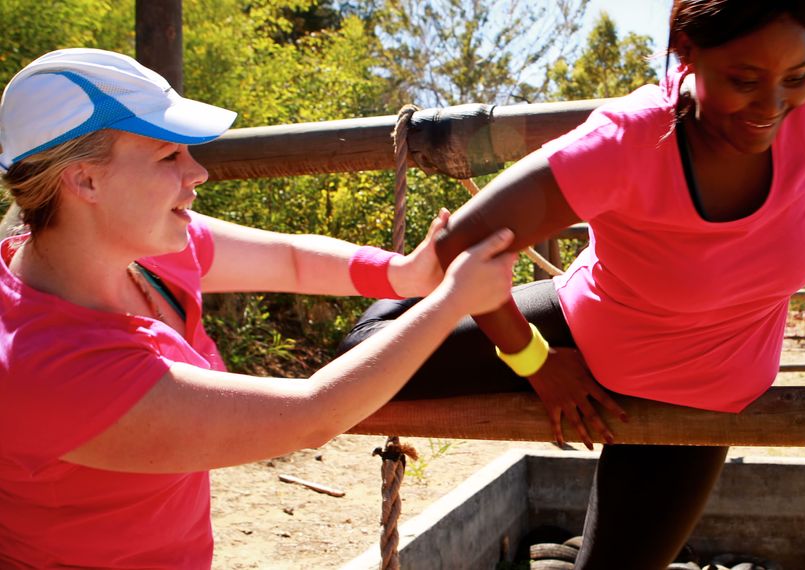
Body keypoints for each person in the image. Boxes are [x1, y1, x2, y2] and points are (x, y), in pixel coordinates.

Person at [340, 1, 805, 568]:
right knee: (361, 354)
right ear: (687, 51)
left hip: (702, 401)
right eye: (744, 80)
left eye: (795, 76)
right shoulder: (628, 140)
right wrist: (535, 362)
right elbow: (458, 246)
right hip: (588, 340)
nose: (773, 104)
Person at [0, 48, 517, 568]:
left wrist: (402, 274)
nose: (197, 172)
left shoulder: (148, 252)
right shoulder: (45, 367)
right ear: (84, 180)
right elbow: (312, 415)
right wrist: (451, 302)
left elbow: (292, 260)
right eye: (168, 156)